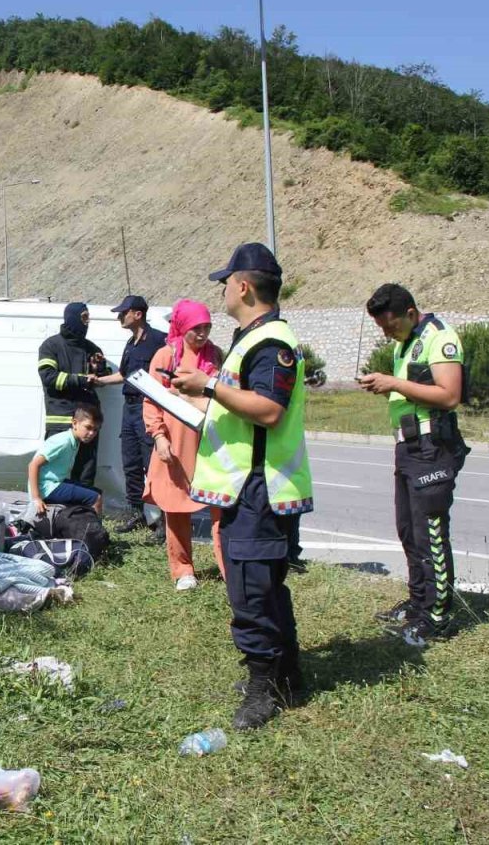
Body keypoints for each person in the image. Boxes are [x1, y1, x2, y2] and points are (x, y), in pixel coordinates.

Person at [173, 242, 312, 730]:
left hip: (259, 489)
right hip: (247, 488)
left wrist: (209, 387)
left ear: (244, 286)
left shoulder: (270, 343)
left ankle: (264, 686)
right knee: (266, 587)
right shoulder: (253, 337)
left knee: (252, 592)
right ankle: (288, 673)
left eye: (226, 283)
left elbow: (269, 411)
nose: (223, 291)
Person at [357, 283, 468, 647]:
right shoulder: (405, 343)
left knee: (430, 533)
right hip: (407, 448)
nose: (387, 333)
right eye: (382, 328)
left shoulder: (439, 337)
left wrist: (394, 383)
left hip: (431, 448)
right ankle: (419, 602)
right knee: (409, 531)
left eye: (391, 326)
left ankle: (437, 615)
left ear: (410, 313)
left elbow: (450, 395)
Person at [142, 299, 226, 591]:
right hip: (176, 444)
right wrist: (159, 436)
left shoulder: (216, 355)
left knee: (221, 507)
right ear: (181, 327)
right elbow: (151, 399)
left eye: (206, 327)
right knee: (176, 507)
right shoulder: (166, 356)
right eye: (196, 328)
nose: (202, 334)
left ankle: (230, 567)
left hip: (211, 443)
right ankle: (183, 570)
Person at [93, 295, 168, 532]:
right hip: (130, 408)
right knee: (131, 464)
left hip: (149, 407)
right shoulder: (130, 343)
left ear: (138, 314)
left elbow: (168, 373)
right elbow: (125, 374)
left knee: (152, 465)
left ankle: (164, 522)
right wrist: (100, 380)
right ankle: (138, 514)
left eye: (123, 313)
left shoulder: (158, 340)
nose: (119, 317)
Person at [36, 302, 109, 486]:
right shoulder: (50, 346)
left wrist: (99, 369)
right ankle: (51, 511)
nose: (87, 322)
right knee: (53, 471)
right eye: (84, 317)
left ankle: (81, 513)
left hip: (87, 422)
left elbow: (103, 378)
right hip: (61, 420)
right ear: (72, 318)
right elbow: (49, 378)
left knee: (85, 471)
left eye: (88, 318)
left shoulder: (92, 348)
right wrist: (81, 379)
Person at [28, 404, 104, 517]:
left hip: (56, 483)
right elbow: (33, 465)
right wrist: (36, 498)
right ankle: (95, 532)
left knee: (97, 493)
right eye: (88, 427)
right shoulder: (63, 442)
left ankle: (81, 525)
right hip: (47, 488)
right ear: (74, 423)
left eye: (96, 430)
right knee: (95, 499)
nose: (92, 433)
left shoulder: (74, 440)